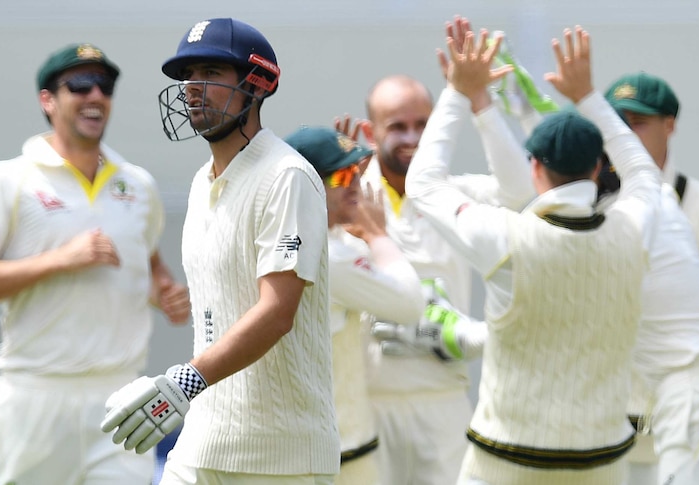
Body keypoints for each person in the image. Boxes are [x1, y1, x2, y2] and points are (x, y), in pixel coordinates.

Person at [406, 21, 662, 484]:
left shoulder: (506, 238)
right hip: (601, 466)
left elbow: (423, 184)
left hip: (505, 464)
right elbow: (643, 172)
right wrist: (587, 96)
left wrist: (460, 91)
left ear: (535, 168)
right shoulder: (634, 229)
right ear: (599, 166)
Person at [100, 18, 340, 484]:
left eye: (210, 73)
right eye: (188, 76)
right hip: (202, 442)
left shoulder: (287, 176)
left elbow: (276, 312)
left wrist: (182, 383)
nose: (192, 89)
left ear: (258, 84)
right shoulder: (200, 182)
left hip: (283, 458)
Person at [0, 43, 190, 485]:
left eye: (105, 85)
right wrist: (61, 259)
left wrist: (166, 296)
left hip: (121, 394)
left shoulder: (137, 184)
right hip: (36, 396)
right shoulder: (9, 180)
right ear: (48, 100)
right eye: (79, 84)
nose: (95, 95)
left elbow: (148, 265)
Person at [338, 72, 475, 485]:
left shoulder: (459, 194)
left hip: (444, 401)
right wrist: (330, 195)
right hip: (371, 405)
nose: (412, 136)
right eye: (397, 126)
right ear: (369, 132)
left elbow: (523, 189)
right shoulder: (348, 199)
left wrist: (479, 99)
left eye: (422, 124)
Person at [285, 125, 426, 485]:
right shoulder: (330, 255)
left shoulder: (296, 237)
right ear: (308, 184)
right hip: (341, 455)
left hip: (312, 450)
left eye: (357, 172)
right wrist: (379, 235)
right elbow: (410, 303)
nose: (356, 186)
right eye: (343, 175)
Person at [605, 72, 699, 391]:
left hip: (690, 417)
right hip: (607, 424)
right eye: (617, 123)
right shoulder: (591, 204)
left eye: (639, 122)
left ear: (669, 125)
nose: (626, 134)